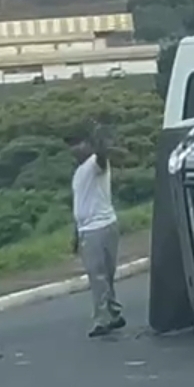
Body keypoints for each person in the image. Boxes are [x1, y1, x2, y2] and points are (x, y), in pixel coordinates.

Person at [71, 127, 124, 337]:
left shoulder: (96, 164)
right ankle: (110, 314)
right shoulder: (78, 173)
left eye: (80, 143)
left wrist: (99, 138)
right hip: (87, 229)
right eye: (73, 145)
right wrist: (75, 235)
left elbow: (102, 155)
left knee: (102, 276)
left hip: (102, 226)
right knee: (101, 276)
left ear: (89, 145)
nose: (76, 148)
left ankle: (105, 318)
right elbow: (78, 205)